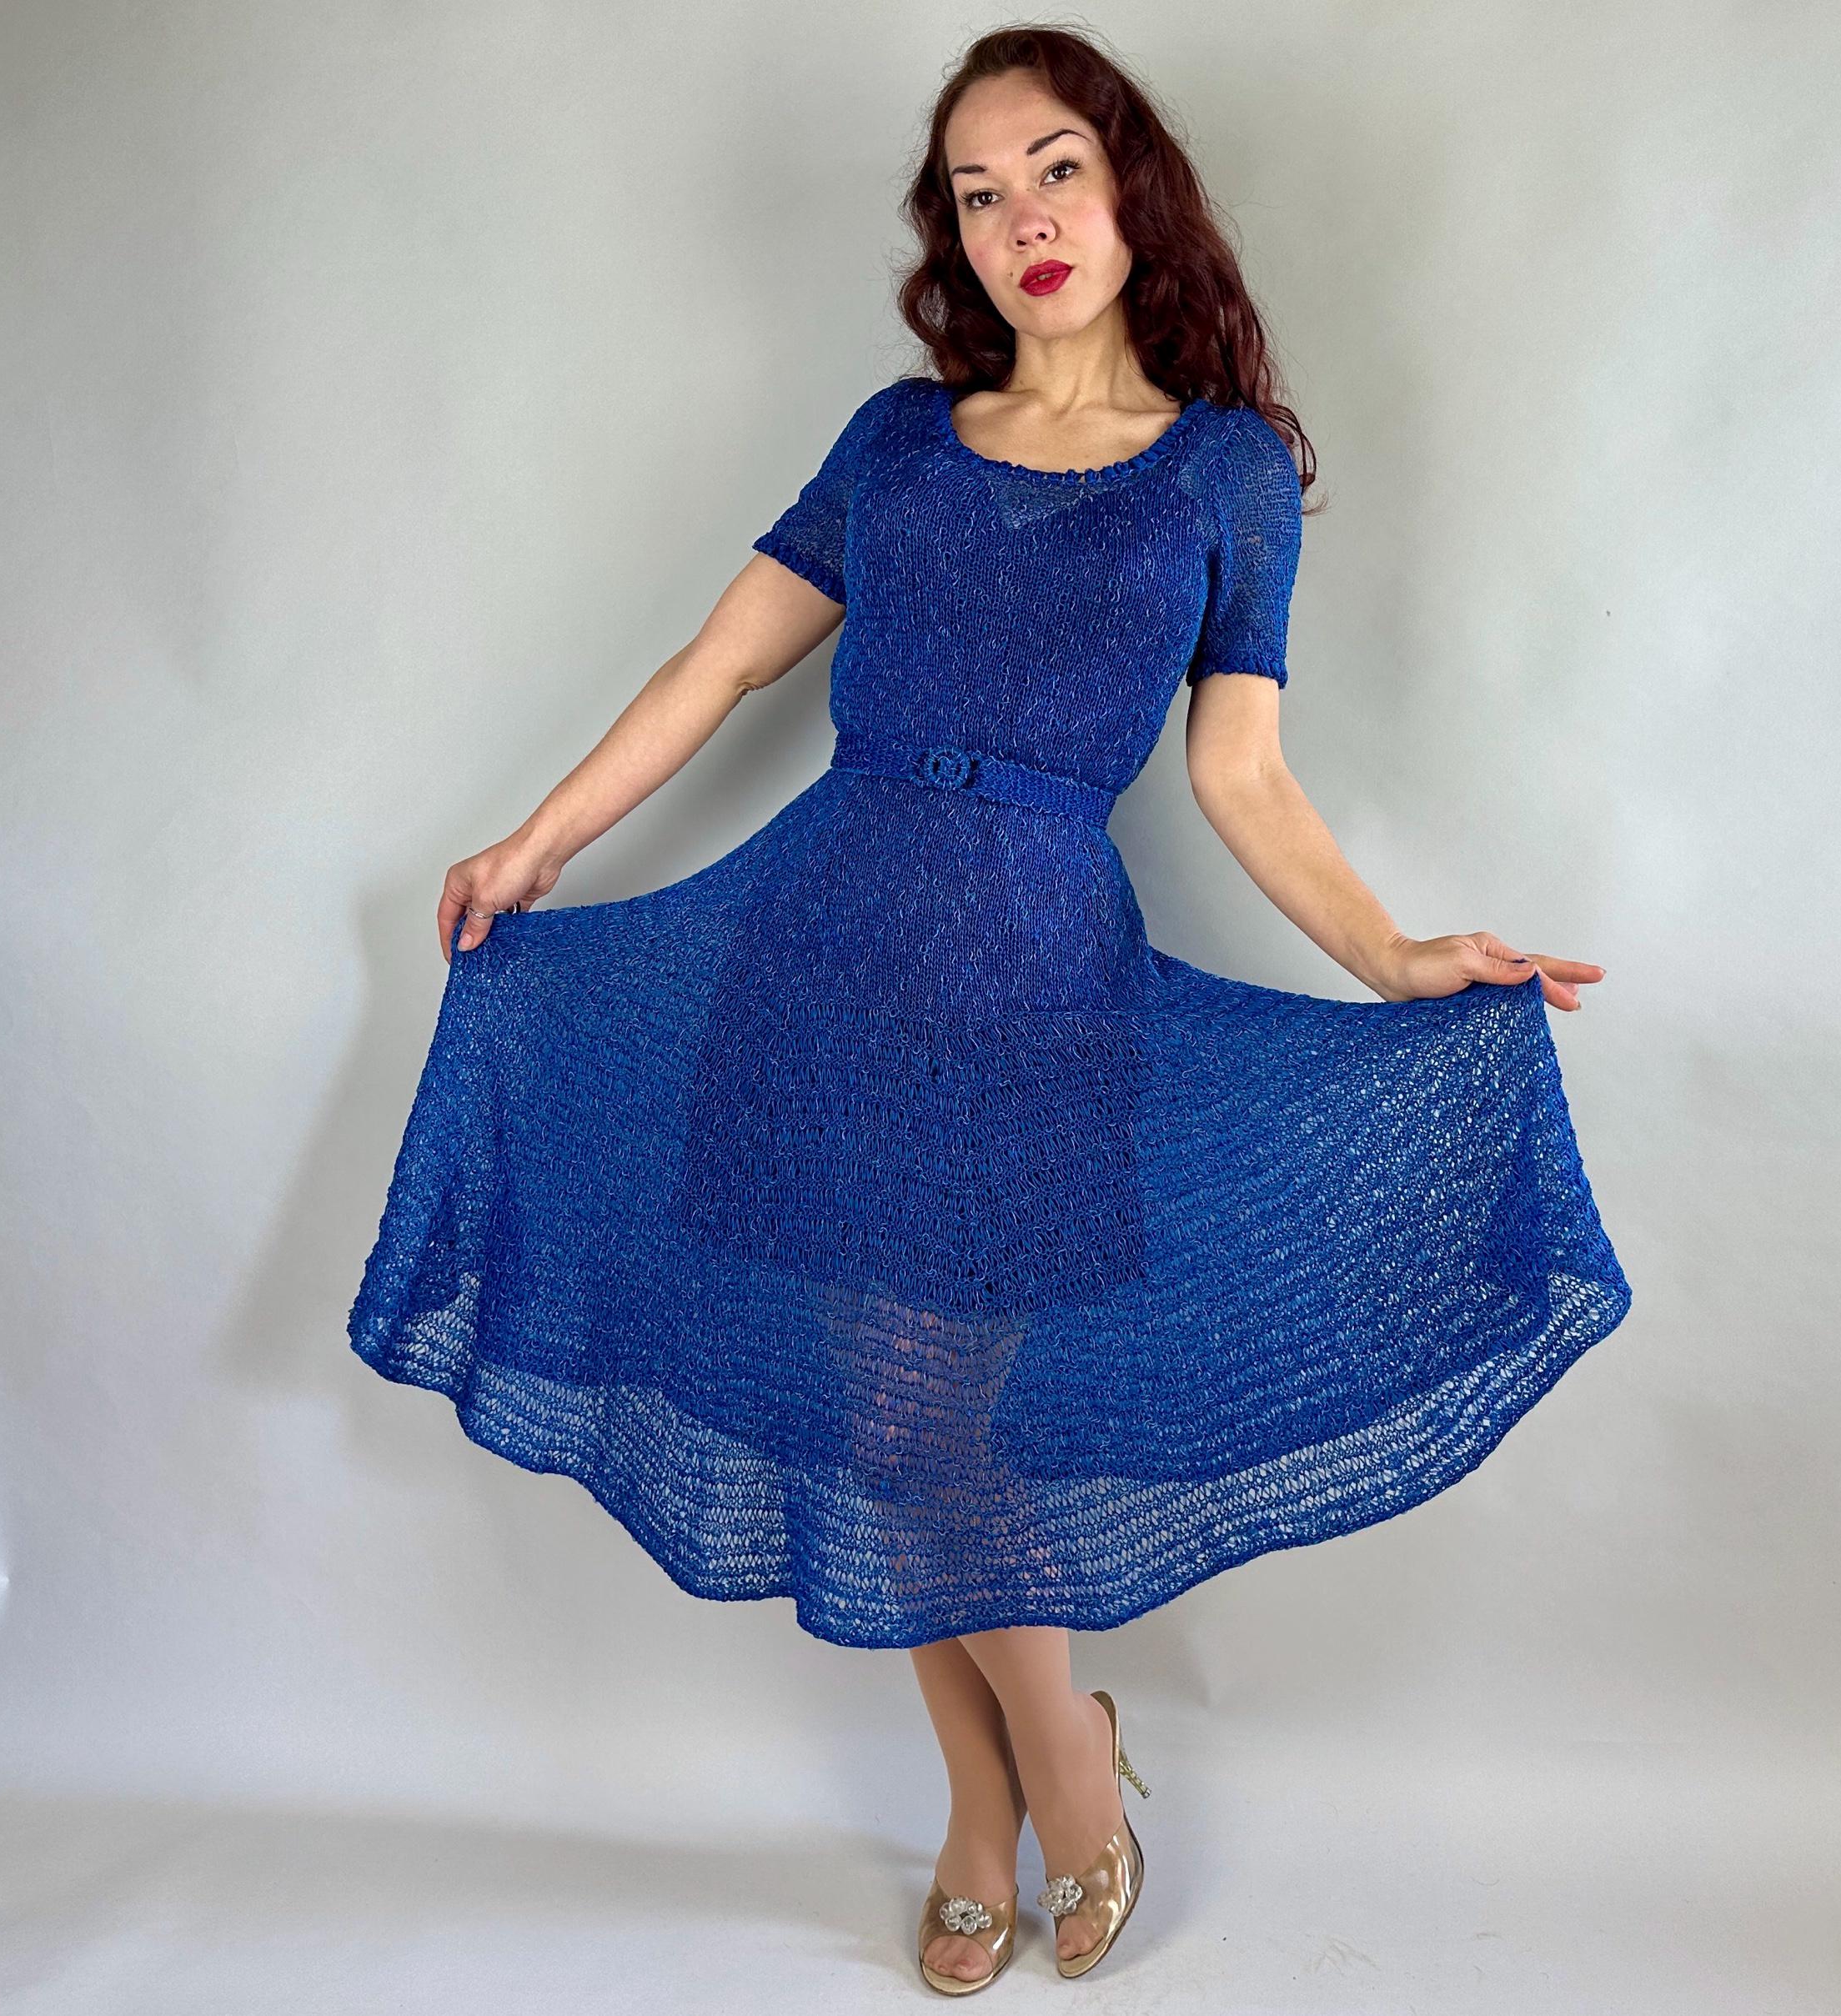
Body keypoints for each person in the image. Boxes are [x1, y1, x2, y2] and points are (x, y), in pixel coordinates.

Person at [348, 25, 1631, 1994]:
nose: (1021, 217)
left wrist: (1393, 959)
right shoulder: (898, 441)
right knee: (878, 1421)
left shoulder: (1224, 473)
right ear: (950, 234)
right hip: (817, 960)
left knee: (923, 1411)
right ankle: (988, 1806)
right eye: (976, 192)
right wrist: (536, 842)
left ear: (1129, 192)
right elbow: (721, 666)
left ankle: (1068, 1764)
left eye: (1055, 171)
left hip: (1034, 986)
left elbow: (1241, 775)